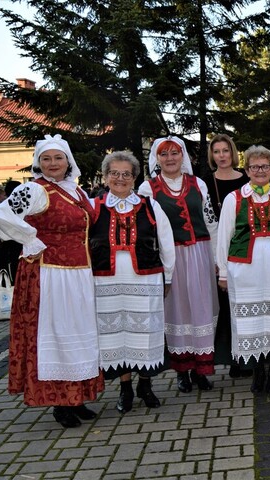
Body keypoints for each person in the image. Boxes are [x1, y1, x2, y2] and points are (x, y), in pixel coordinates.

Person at [0, 134, 103, 428]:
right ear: (38, 163)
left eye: (58, 158)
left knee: (78, 333)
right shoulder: (34, 190)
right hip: (49, 274)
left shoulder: (74, 191)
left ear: (68, 162)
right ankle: (59, 402)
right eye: (46, 159)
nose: (53, 164)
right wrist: (31, 239)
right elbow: (0, 216)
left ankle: (76, 397)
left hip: (78, 274)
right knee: (57, 335)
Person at [90, 151, 175, 414]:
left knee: (146, 332)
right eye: (114, 173)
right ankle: (125, 388)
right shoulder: (94, 207)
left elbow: (166, 242)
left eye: (126, 173)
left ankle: (145, 385)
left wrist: (168, 276)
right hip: (106, 281)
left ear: (135, 177)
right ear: (105, 177)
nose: (120, 178)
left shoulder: (150, 205)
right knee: (116, 334)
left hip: (146, 277)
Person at [216, 145, 270, 394]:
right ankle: (257, 372)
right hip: (245, 271)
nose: (260, 171)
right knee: (249, 321)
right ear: (247, 170)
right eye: (254, 166)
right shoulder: (234, 199)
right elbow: (224, 237)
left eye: (265, 166)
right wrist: (223, 272)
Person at [138, 136, 219, 393]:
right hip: (169, 258)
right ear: (156, 159)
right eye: (164, 154)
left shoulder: (199, 184)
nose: (170, 158)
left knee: (202, 309)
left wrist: (218, 260)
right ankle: (182, 371)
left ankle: (201, 370)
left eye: (175, 153)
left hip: (200, 253)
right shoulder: (147, 189)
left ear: (183, 156)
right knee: (177, 311)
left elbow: (212, 224)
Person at [203, 133, 250, 379]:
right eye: (217, 151)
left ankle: (248, 356)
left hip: (246, 248)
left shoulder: (246, 178)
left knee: (245, 304)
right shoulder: (205, 182)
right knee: (225, 307)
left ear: (232, 153)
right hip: (219, 248)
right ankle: (231, 356)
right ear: (212, 155)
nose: (221, 156)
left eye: (225, 151)